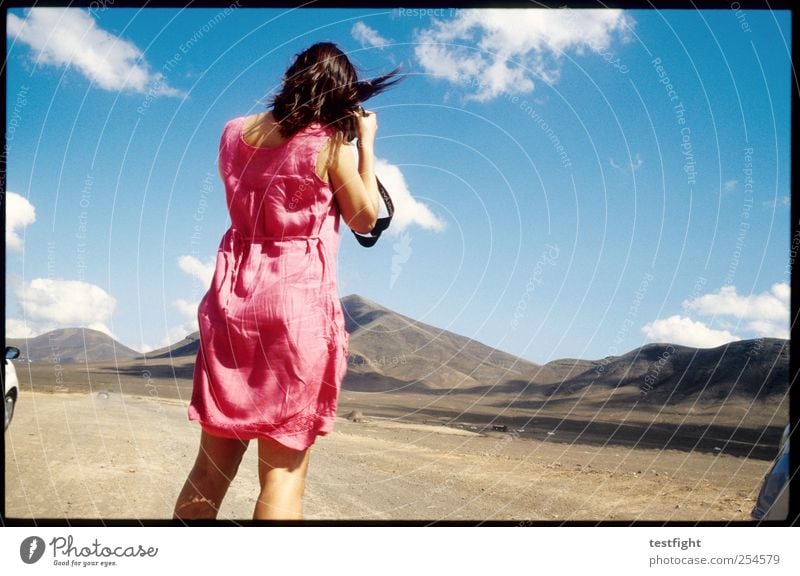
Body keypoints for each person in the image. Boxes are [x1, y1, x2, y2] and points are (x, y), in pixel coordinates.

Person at [173, 42, 400, 521]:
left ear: (292, 76)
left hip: (232, 302)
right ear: (341, 95)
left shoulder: (233, 132)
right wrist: (365, 144)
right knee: (284, 474)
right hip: (294, 311)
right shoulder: (328, 144)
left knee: (210, 469)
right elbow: (364, 217)